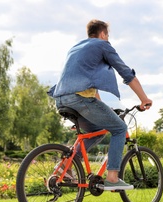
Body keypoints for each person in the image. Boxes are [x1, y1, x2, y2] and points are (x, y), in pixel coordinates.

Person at [51, 19, 152, 191]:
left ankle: (64, 168)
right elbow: (127, 74)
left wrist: (104, 111)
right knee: (119, 128)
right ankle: (113, 177)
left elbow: (90, 86)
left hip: (61, 98)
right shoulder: (102, 45)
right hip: (80, 99)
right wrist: (144, 99)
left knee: (96, 132)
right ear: (103, 34)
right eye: (108, 35)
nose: (108, 38)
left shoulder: (76, 48)